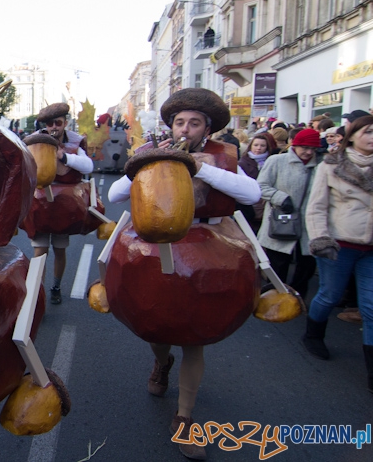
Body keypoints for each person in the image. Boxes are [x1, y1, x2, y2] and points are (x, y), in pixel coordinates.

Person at [106, 88, 261, 460]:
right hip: (157, 252)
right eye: (180, 122)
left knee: (196, 337)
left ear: (206, 128)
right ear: (170, 125)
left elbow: (251, 194)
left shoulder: (222, 157)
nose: (186, 129)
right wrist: (150, 162)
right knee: (156, 327)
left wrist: (199, 167)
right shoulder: (151, 152)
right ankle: (161, 361)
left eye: (194, 123)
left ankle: (185, 416)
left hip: (209, 254)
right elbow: (114, 194)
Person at [302, 116, 373, 393]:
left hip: (371, 249)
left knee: (370, 307)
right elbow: (316, 206)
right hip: (339, 244)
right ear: (352, 136)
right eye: (368, 131)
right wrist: (320, 238)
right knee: (330, 295)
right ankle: (312, 334)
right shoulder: (331, 165)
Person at [28, 102, 94, 304]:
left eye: (57, 122)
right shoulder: (34, 141)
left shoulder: (75, 142)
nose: (54, 127)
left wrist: (63, 156)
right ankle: (36, 291)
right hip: (39, 205)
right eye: (49, 123)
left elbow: (87, 166)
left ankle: (55, 285)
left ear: (65, 122)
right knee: (40, 251)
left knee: (59, 249)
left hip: (64, 207)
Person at [256, 129, 321, 300]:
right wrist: (280, 198)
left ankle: (297, 300)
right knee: (278, 264)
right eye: (304, 147)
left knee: (305, 266)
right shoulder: (277, 161)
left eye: (312, 149)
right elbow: (261, 186)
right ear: (295, 144)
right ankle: (274, 300)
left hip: (309, 225)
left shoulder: (321, 166)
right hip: (281, 221)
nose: (308, 152)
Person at [237, 132, 276, 230]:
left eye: (262, 146)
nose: (258, 148)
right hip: (249, 206)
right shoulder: (243, 163)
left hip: (266, 204)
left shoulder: (271, 162)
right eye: (256, 145)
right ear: (251, 146)